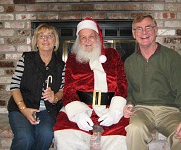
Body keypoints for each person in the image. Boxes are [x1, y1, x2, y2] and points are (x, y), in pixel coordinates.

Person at [53, 17, 129, 150]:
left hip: (109, 109)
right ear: (78, 40)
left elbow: (122, 83)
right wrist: (78, 114)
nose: (87, 40)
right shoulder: (73, 59)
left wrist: (115, 111)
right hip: (83, 108)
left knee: (119, 138)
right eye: (83, 37)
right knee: (64, 133)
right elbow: (69, 89)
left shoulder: (113, 55)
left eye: (91, 36)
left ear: (98, 36)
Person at [124, 14, 181, 150]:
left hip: (170, 110)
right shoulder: (129, 62)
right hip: (142, 110)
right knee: (134, 129)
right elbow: (129, 91)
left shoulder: (171, 57)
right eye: (139, 29)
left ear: (155, 30)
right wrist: (129, 103)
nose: (144, 32)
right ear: (134, 34)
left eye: (148, 27)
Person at [7, 23, 65, 150]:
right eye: (41, 36)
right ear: (36, 42)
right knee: (25, 137)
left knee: (46, 134)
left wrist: (54, 97)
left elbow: (63, 89)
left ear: (55, 42)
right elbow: (15, 86)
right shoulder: (26, 59)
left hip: (47, 110)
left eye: (50, 36)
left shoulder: (61, 65)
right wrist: (23, 109)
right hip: (21, 108)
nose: (45, 39)